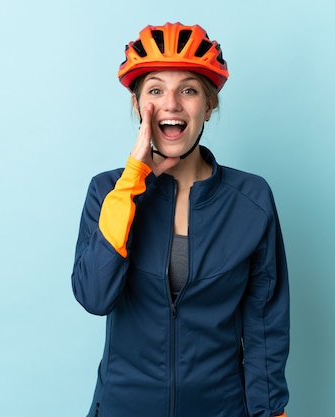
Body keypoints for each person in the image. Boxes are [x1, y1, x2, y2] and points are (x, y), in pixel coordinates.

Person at [71, 22, 290, 417]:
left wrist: (270, 412)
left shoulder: (251, 200)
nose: (171, 104)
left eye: (188, 90)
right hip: (124, 407)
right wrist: (131, 182)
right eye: (155, 90)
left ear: (208, 105)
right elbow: (94, 296)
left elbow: (264, 324)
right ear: (138, 106)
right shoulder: (107, 192)